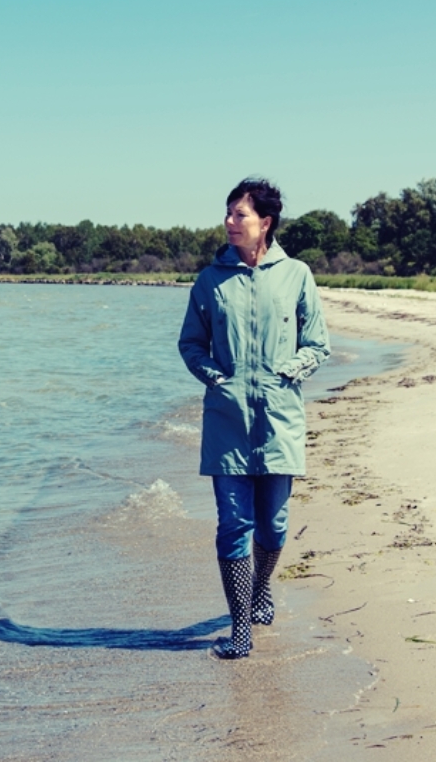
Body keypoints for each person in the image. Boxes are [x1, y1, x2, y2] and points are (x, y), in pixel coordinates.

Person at [178, 177, 331, 659]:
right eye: (227, 213)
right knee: (233, 524)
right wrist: (212, 377)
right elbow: (190, 343)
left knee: (275, 525)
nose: (229, 222)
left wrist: (292, 371)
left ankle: (260, 587)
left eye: (239, 215)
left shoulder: (297, 275)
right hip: (226, 420)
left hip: (280, 417)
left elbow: (318, 343)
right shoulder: (209, 281)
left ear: (265, 223)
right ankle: (241, 631)